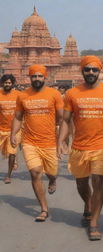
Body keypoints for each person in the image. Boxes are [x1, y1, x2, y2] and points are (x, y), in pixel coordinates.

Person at [58, 56, 103, 241]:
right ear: (82, 71)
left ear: (100, 71)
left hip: (100, 146)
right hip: (79, 146)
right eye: (87, 69)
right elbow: (66, 120)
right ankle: (88, 204)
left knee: (98, 183)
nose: (91, 72)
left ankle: (94, 222)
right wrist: (61, 141)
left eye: (94, 70)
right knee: (81, 183)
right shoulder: (72, 93)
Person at [11, 64, 63, 222]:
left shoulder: (54, 94)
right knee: (35, 173)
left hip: (49, 142)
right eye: (34, 76)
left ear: (45, 77)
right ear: (30, 78)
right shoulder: (22, 95)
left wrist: (63, 139)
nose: (37, 79)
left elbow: (61, 118)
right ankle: (44, 208)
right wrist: (13, 133)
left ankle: (53, 180)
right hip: (29, 142)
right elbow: (18, 117)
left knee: (51, 173)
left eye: (40, 76)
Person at [0, 74, 21, 184]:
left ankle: (8, 175)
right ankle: (14, 160)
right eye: (5, 83)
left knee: (12, 152)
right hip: (1, 129)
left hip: (15, 130)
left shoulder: (18, 95)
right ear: (2, 83)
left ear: (12, 84)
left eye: (9, 83)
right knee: (5, 152)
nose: (7, 84)